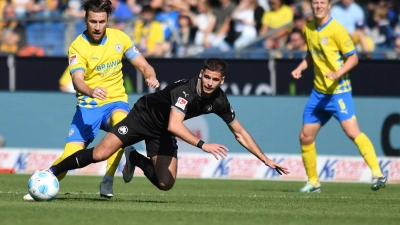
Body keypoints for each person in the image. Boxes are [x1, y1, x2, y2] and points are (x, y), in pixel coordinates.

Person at [44, 58, 290, 194]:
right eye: (206, 77)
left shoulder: (219, 100)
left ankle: (135, 159)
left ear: (221, 81)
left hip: (161, 130)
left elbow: (240, 132)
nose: (209, 83)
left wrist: (265, 160)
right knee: (100, 153)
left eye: (215, 80)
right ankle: (51, 172)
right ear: (201, 74)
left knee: (165, 184)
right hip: (143, 116)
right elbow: (175, 124)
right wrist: (202, 144)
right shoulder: (185, 91)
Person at [23, 0, 159, 200]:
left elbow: (144, 65)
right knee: (69, 156)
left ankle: (108, 179)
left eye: (102, 22)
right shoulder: (77, 47)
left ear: (107, 20)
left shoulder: (120, 38)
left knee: (120, 125)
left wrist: (150, 75)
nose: (97, 27)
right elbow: (77, 81)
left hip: (115, 102)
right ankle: (43, 182)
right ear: (85, 20)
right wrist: (90, 90)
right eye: (93, 21)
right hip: (88, 107)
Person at [291, 0, 386, 193]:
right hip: (318, 93)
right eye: (315, 3)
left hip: (338, 92)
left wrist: (338, 73)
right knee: (305, 137)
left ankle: (378, 174)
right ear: (311, 5)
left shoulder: (337, 30)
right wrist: (301, 67)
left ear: (329, 6)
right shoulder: (308, 28)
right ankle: (313, 183)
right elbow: (312, 54)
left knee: (352, 131)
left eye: (322, 3)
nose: (318, 6)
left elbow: (353, 57)